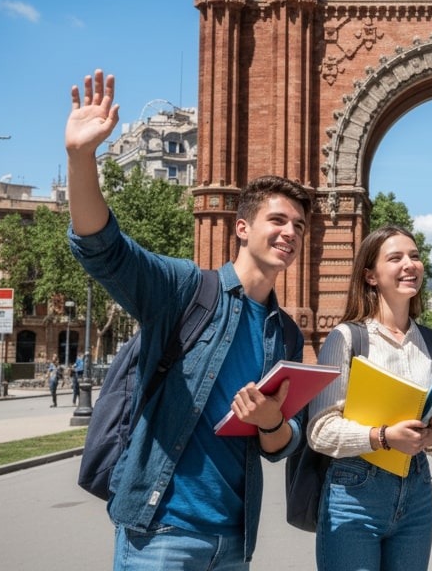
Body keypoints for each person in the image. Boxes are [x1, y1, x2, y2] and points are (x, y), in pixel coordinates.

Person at [66, 69, 309, 570]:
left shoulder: (285, 333)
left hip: (234, 541)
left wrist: (271, 423)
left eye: (299, 227)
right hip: (162, 532)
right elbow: (103, 249)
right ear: (242, 227)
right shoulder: (185, 289)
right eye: (278, 221)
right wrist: (81, 157)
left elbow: (281, 446)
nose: (290, 233)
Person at [306, 226, 432, 570]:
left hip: (417, 492)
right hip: (354, 490)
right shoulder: (346, 339)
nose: (410, 264)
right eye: (396, 258)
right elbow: (319, 430)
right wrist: (384, 437)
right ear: (370, 276)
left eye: (415, 256)